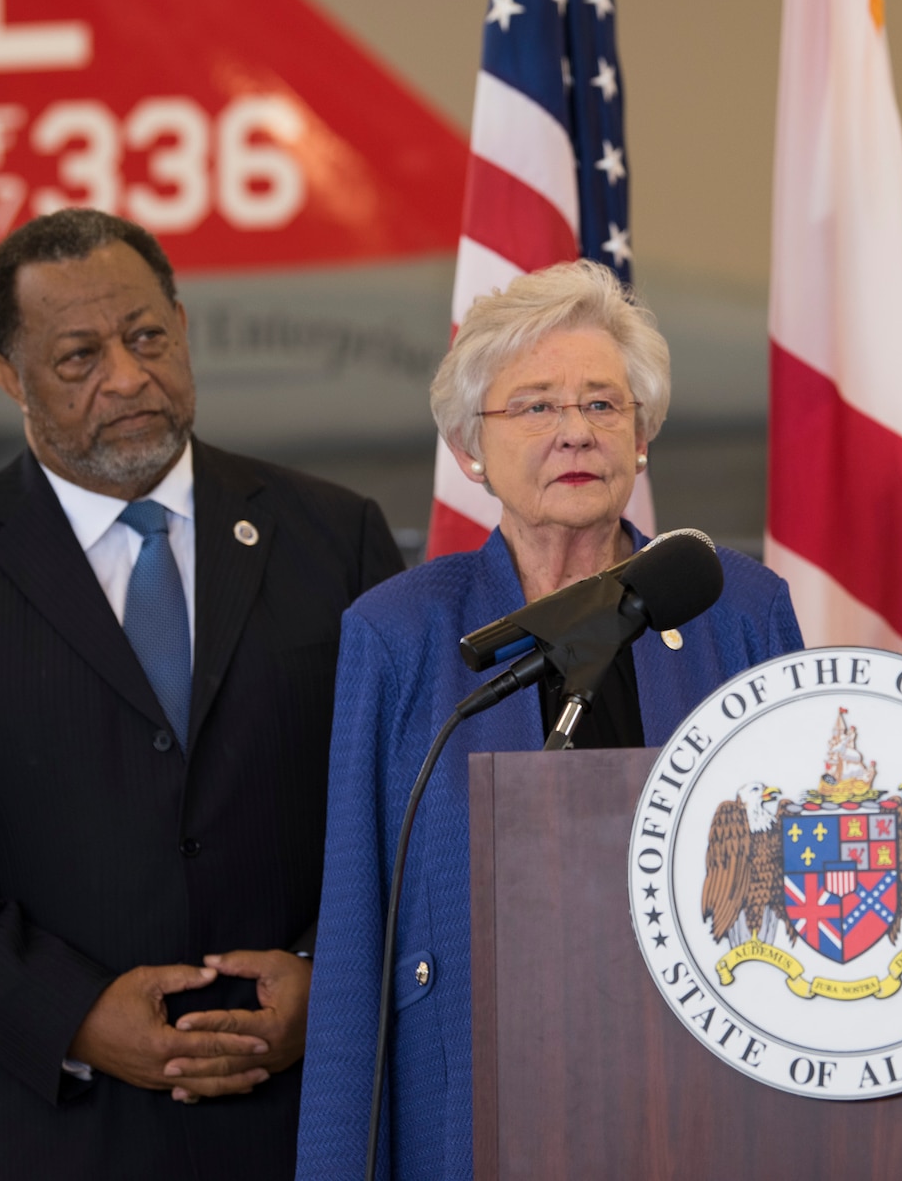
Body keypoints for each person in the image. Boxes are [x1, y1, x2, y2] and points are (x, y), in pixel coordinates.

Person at [0, 209, 402, 1180]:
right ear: (11, 377)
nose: (130, 377)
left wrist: (325, 979)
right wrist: (77, 1015)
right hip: (49, 1124)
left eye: (146, 338)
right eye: (78, 356)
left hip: (307, 1120)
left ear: (183, 327)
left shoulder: (333, 534)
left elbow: (401, 804)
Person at [295, 260, 802, 1181]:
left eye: (604, 405)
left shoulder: (739, 606)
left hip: (707, 1098)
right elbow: (354, 934)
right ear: (469, 450)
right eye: (535, 406)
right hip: (476, 1103)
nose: (575, 429)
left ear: (641, 436)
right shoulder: (398, 632)